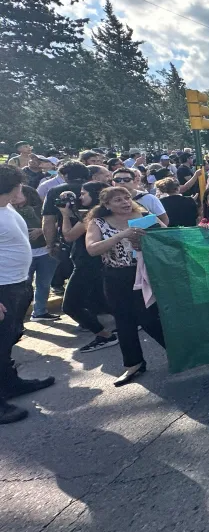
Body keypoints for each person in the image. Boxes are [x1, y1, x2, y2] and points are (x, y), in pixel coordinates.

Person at [85, 186, 168, 387]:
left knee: (148, 317)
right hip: (115, 276)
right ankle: (133, 363)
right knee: (123, 321)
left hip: (145, 273)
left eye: (127, 198)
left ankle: (178, 350)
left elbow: (167, 238)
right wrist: (121, 235)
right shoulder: (98, 222)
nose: (125, 202)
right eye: (118, 200)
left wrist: (146, 242)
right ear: (106, 205)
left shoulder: (145, 216)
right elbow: (92, 249)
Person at [0, 167, 56, 423]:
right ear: (13, 187)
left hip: (17, 284)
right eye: (20, 185)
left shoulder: (7, 207)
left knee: (8, 340)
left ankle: (10, 384)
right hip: (3, 289)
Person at [60, 182, 119, 354]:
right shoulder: (109, 213)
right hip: (102, 263)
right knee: (103, 299)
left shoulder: (92, 216)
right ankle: (130, 322)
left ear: (94, 195)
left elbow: (69, 236)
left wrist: (64, 215)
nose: (80, 197)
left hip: (87, 265)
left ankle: (105, 335)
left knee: (70, 305)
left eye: (83, 193)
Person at [13, 185, 61, 321]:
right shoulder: (8, 210)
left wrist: (41, 230)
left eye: (18, 193)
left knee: (44, 284)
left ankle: (40, 312)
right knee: (23, 287)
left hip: (45, 251)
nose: (14, 196)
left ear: (28, 194)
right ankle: (17, 316)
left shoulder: (42, 208)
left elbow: (57, 222)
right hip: (23, 254)